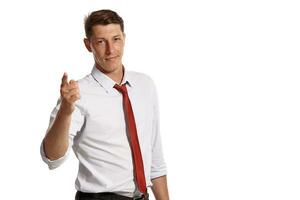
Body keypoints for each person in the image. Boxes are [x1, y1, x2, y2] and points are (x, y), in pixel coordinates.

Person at [40, 9, 169, 200]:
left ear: (124, 38)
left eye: (116, 39)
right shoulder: (77, 94)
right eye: (101, 42)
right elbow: (52, 157)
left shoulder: (145, 85)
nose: (111, 50)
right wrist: (66, 112)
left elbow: (155, 158)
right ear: (88, 45)